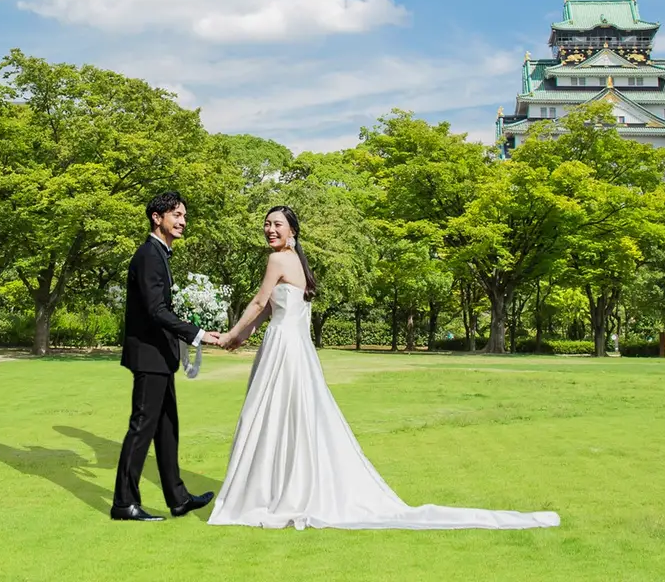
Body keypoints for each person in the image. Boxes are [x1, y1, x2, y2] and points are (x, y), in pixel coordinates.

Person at [208, 205, 560, 531]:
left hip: (284, 348)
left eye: (277, 224)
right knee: (289, 416)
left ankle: (271, 491)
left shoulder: (277, 260)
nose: (270, 229)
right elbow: (270, 311)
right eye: (267, 224)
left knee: (272, 414)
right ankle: (283, 487)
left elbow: (259, 302)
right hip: (295, 349)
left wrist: (229, 335)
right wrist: (239, 337)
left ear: (292, 231)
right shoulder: (297, 263)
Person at [111, 191, 222, 523]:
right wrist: (198, 333)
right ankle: (124, 503)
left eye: (184, 215)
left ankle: (178, 498)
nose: (183, 221)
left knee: (167, 428)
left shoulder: (159, 254)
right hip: (149, 356)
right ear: (156, 218)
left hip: (160, 357)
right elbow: (156, 310)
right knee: (142, 429)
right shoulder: (148, 255)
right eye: (176, 214)